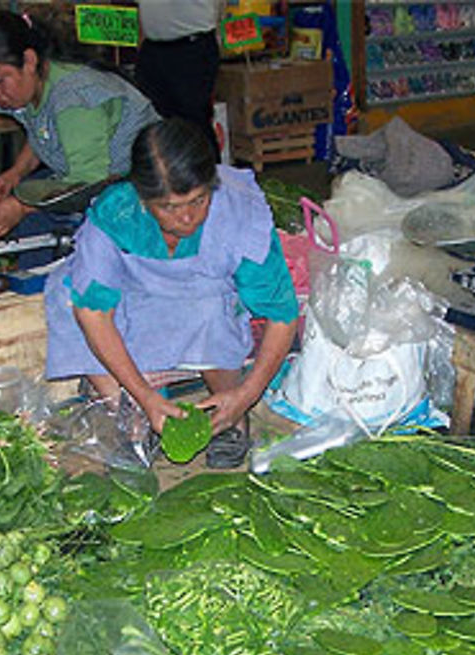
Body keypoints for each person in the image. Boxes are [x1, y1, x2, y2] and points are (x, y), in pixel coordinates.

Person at [44, 118, 299, 469]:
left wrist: (247, 394)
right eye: (168, 207)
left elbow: (282, 314)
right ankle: (131, 416)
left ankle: (229, 416)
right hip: (137, 290)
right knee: (68, 292)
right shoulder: (117, 213)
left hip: (204, 290)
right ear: (143, 198)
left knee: (208, 308)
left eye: (198, 200)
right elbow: (94, 313)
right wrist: (145, 396)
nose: (187, 218)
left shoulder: (238, 216)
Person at [0, 10, 159, 263]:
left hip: (137, 189)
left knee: (34, 228)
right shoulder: (36, 86)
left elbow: (91, 183)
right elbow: (44, 131)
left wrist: (21, 208)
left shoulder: (73, 100)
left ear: (29, 60)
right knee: (27, 213)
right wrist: (18, 171)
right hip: (89, 175)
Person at [135, 0, 223, 159]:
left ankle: (210, 176)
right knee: (153, 119)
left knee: (193, 121)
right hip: (153, 48)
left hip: (191, 46)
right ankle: (167, 175)